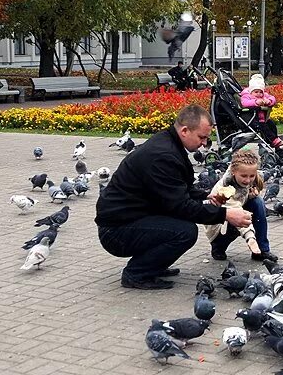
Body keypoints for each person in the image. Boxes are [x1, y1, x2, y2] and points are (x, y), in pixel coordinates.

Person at [95, 104, 252, 290]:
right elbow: (180, 206)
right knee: (184, 232)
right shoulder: (163, 155)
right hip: (115, 231)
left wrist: (206, 196)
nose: (204, 143)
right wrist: (225, 215)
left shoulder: (169, 143)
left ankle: (153, 265)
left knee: (179, 225)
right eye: (201, 137)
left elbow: (177, 188)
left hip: (130, 218)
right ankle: (136, 274)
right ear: (185, 131)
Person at [206, 148, 277, 263]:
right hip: (219, 224)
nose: (248, 180)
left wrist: (250, 196)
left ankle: (262, 250)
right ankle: (218, 245)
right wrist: (250, 238)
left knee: (258, 202)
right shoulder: (226, 189)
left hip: (234, 211)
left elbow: (241, 199)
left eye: (252, 176)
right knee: (234, 226)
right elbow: (237, 212)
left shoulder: (244, 177)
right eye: (244, 176)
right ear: (233, 172)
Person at [240, 74, 283, 152]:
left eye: (261, 92)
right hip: (253, 119)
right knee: (264, 127)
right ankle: (273, 140)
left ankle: (275, 139)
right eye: (256, 92)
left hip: (263, 119)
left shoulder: (264, 96)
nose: (259, 94)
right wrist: (255, 102)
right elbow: (245, 103)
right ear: (251, 91)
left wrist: (269, 101)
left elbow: (273, 98)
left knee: (271, 124)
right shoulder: (246, 96)